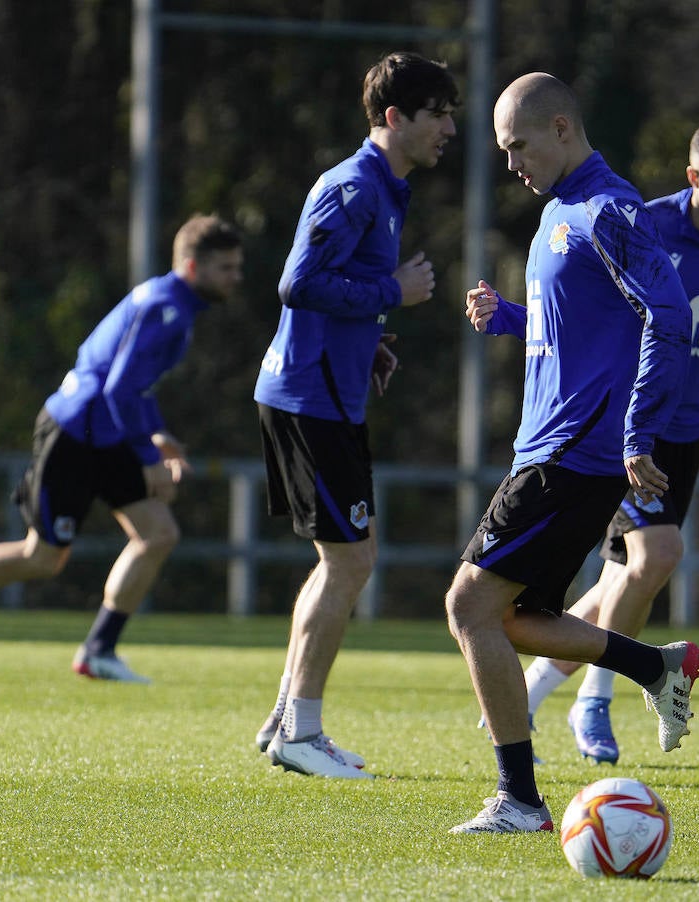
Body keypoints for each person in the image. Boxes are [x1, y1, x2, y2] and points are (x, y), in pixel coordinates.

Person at [509, 117, 699, 765]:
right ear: (692, 176)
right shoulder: (642, 222)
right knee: (657, 556)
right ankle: (595, 701)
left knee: (621, 578)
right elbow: (582, 315)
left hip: (689, 428)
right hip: (631, 425)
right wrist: (510, 318)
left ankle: (530, 694)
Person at [448, 72, 699, 833]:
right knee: (516, 617)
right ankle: (654, 665)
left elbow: (669, 316)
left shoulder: (609, 210)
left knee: (469, 607)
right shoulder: (559, 209)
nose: (512, 163)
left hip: (574, 453)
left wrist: (637, 432)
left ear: (561, 128)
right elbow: (581, 326)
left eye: (518, 145)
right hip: (552, 447)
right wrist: (509, 319)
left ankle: (520, 800)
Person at [0, 215, 245, 683]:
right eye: (226, 268)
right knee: (43, 558)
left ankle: (99, 649)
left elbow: (133, 386)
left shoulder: (174, 303)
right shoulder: (165, 307)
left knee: (159, 533)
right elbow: (119, 388)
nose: (235, 277)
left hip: (107, 433)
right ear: (192, 266)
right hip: (75, 435)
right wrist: (148, 460)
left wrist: (156, 434)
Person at [250, 51, 458, 779]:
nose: (449, 129)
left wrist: (367, 340)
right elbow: (297, 284)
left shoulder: (386, 188)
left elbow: (332, 289)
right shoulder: (354, 187)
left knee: (341, 560)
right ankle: (301, 732)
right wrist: (390, 294)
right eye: (438, 115)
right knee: (350, 561)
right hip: (309, 400)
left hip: (323, 392)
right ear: (395, 117)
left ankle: (286, 720)